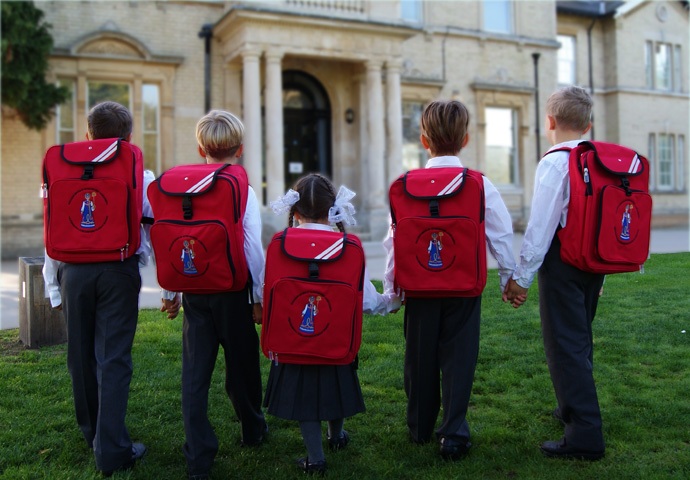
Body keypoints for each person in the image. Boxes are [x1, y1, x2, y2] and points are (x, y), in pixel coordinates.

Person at [43, 101, 181, 476]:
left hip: (72, 272)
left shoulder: (64, 168)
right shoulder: (141, 172)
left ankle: (93, 434)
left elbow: (56, 225)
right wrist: (170, 287)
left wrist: (52, 287)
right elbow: (154, 232)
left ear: (88, 134)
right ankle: (113, 449)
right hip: (119, 271)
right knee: (113, 358)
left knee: (80, 355)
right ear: (129, 137)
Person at [383, 99, 517, 459]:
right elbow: (501, 234)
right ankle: (454, 433)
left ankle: (419, 426)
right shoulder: (478, 184)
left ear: (424, 141)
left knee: (419, 357)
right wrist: (509, 277)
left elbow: (393, 242)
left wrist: (392, 291)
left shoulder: (403, 185)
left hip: (419, 287)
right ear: (466, 139)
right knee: (459, 358)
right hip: (463, 286)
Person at [263, 173, 401, 474]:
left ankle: (315, 458)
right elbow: (364, 300)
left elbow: (268, 290)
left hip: (293, 341)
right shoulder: (347, 247)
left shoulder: (280, 244)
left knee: (305, 401)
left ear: (294, 211)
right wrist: (390, 302)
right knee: (335, 386)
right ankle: (336, 435)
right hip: (337, 342)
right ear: (332, 209)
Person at [503, 85, 606, 460]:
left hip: (563, 263)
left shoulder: (555, 161)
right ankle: (569, 408)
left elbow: (541, 226)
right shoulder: (595, 160)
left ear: (549, 121)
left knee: (565, 348)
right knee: (579, 343)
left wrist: (521, 277)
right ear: (587, 125)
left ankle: (584, 436)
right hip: (593, 263)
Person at [176, 110, 267, 480]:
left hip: (195, 289)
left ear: (201, 148)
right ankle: (252, 428)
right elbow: (252, 246)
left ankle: (198, 453)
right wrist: (258, 294)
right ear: (240, 149)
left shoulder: (182, 186)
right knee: (242, 366)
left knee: (195, 372)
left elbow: (176, 238)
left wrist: (171, 288)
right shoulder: (242, 188)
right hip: (233, 291)